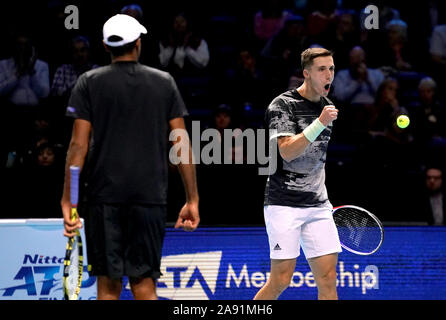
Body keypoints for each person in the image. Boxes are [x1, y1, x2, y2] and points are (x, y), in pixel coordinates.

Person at [61, 14, 200, 300]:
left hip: (103, 199)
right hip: (149, 198)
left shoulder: (88, 82)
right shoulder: (164, 82)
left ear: (104, 45)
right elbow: (181, 143)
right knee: (144, 286)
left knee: (108, 287)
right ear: (138, 43)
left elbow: (77, 147)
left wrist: (68, 200)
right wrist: (192, 199)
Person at [254, 47, 342, 300]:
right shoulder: (282, 105)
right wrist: (319, 123)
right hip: (284, 204)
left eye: (332, 69)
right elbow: (287, 152)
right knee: (280, 281)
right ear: (307, 74)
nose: (329, 75)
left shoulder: (328, 107)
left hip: (318, 205)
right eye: (322, 69)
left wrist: (322, 120)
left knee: (328, 281)